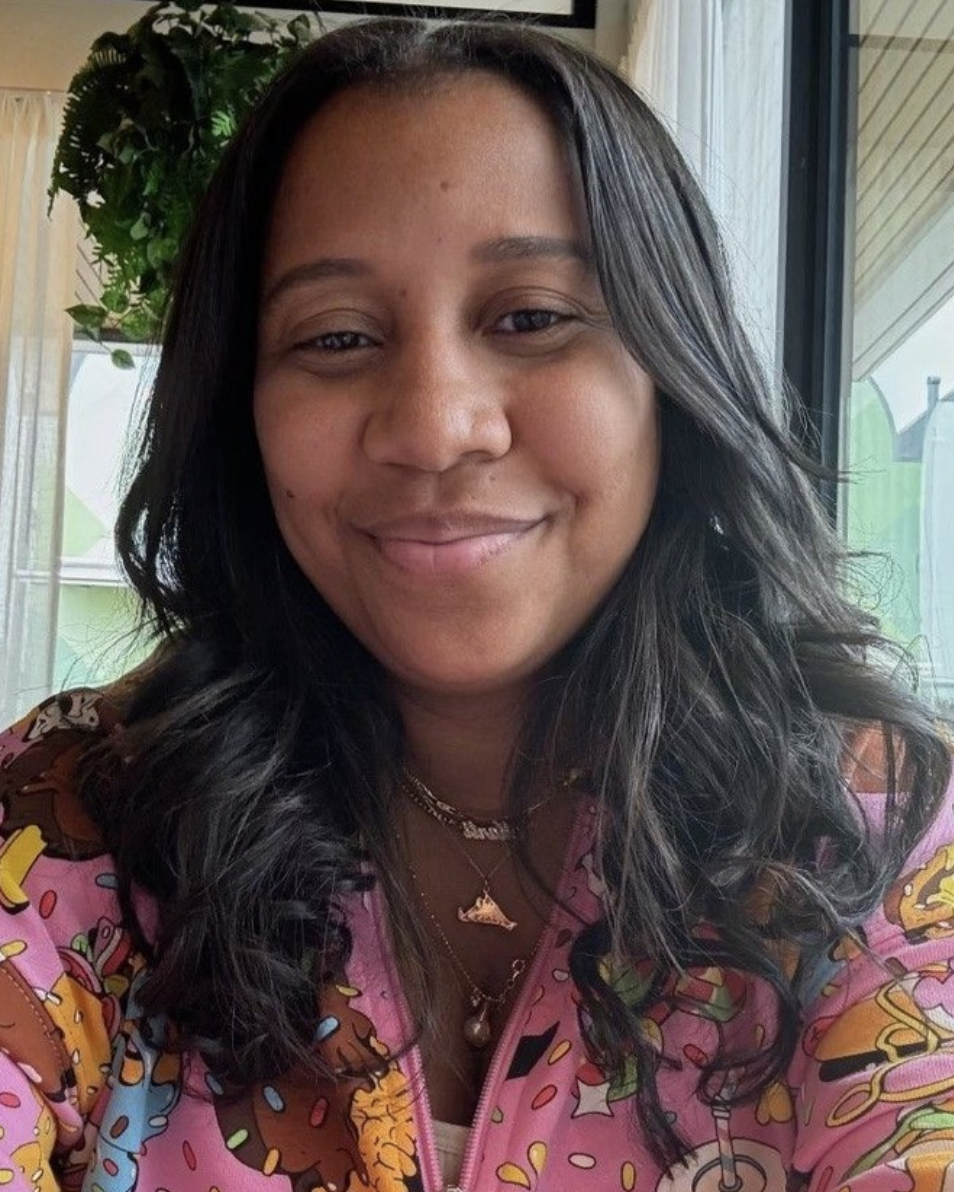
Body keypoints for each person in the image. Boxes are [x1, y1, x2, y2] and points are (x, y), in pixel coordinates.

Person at [0, 17, 952, 1192]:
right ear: (239, 412)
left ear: (671, 370)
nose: (437, 424)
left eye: (531, 317)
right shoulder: (70, 821)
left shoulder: (876, 835)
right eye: (335, 336)